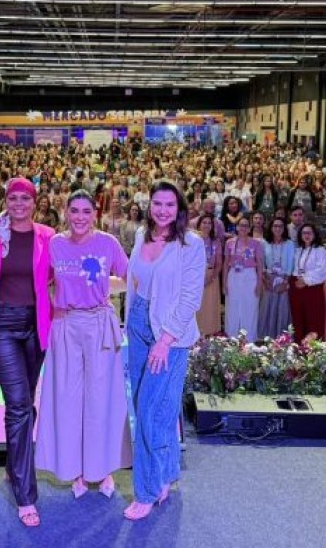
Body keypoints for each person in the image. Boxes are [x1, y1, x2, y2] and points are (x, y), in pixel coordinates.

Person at [37, 191, 131, 500]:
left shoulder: (108, 243)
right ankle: (76, 469)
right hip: (66, 326)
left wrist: (104, 289)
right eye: (74, 210)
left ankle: (102, 469)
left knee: (100, 400)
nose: (80, 217)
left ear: (95, 214)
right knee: (68, 401)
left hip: (99, 325)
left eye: (86, 211)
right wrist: (54, 306)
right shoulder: (55, 244)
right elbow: (41, 283)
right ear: (65, 212)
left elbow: (130, 278)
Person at [124, 180, 204, 521]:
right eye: (157, 203)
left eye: (170, 205)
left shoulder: (191, 244)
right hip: (137, 325)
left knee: (148, 410)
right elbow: (136, 281)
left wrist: (165, 340)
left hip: (169, 335)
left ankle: (145, 490)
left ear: (179, 208)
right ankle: (167, 473)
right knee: (161, 409)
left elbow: (190, 298)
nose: (162, 210)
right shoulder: (142, 235)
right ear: (149, 205)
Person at [0, 177, 55, 528]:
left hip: (36, 326)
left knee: (26, 403)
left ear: (35, 202)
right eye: (13, 198)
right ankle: (26, 496)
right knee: (20, 404)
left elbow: (61, 275)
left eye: (26, 198)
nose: (19, 204)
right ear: (5, 201)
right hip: (1, 327)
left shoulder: (48, 236)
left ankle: (13, 466)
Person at [223, 216, 264, 340]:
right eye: (241, 225)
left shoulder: (256, 243)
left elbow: (260, 264)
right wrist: (224, 283)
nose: (243, 228)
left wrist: (259, 283)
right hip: (233, 275)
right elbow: (226, 263)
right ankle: (231, 338)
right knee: (232, 306)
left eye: (246, 226)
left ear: (250, 228)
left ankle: (249, 339)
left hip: (250, 275)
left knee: (250, 306)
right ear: (237, 227)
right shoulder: (229, 242)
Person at [289, 223, 326, 342]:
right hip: (298, 289)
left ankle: (313, 347)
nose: (306, 235)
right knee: (298, 318)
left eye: (309, 233)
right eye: (304, 233)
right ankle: (299, 345)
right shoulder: (298, 250)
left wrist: (305, 280)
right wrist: (297, 280)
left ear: (314, 235)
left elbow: (322, 271)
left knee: (313, 318)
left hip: (313, 289)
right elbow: (295, 268)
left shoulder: (320, 250)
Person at [258, 217, 294, 340]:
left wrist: (285, 282)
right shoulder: (264, 243)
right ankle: (266, 337)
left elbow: (291, 264)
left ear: (284, 229)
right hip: (269, 279)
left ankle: (282, 339)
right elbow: (261, 261)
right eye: (275, 226)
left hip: (283, 279)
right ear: (271, 228)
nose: (277, 228)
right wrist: (265, 279)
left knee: (282, 308)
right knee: (267, 308)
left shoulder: (289, 244)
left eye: (280, 226)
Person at [194, 213, 224, 337]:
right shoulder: (193, 240)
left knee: (210, 307)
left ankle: (209, 334)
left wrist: (211, 277)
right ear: (199, 224)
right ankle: (195, 335)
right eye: (204, 222)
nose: (206, 225)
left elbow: (219, 263)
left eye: (209, 223)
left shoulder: (216, 242)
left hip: (211, 278)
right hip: (195, 278)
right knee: (197, 306)